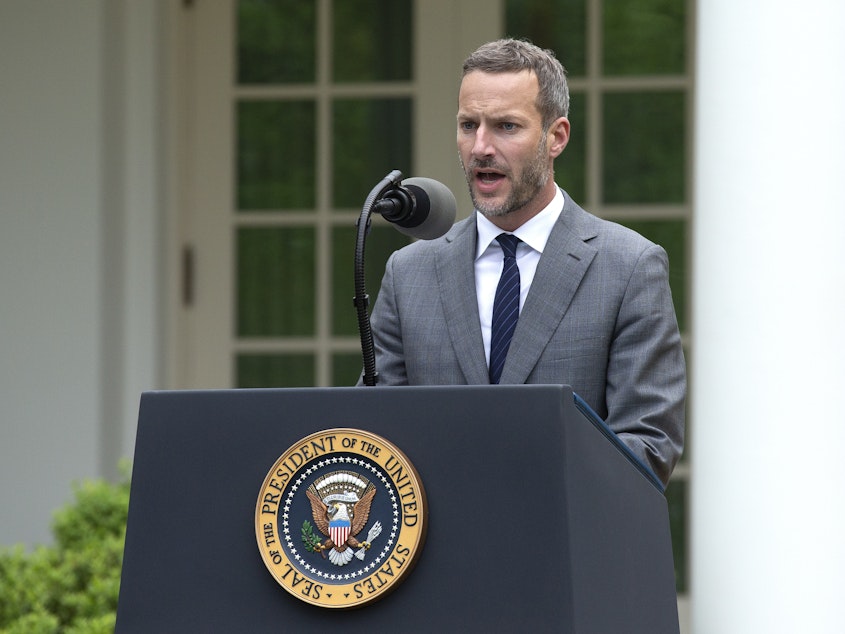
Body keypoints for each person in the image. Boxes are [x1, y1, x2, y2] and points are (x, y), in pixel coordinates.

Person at [365, 38, 685, 486]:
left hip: (562, 548)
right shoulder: (409, 273)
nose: (480, 147)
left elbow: (648, 447)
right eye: (468, 124)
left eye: (505, 127)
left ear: (556, 137)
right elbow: (370, 437)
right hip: (436, 551)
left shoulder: (629, 267)